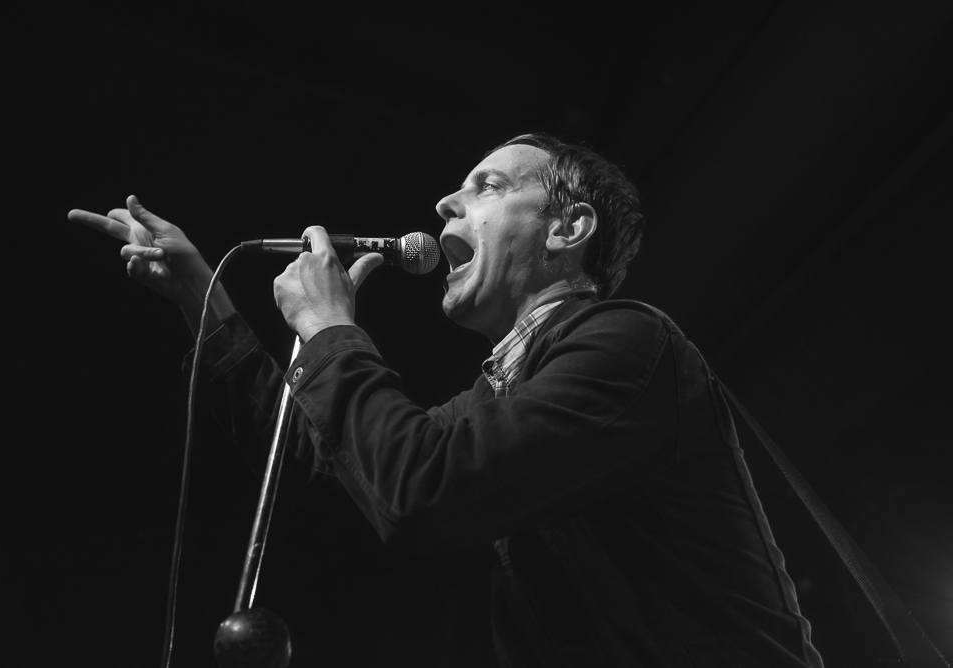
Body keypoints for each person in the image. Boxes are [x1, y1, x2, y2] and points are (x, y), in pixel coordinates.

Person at [71, 134, 823, 667]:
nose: (443, 204)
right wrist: (202, 297)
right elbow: (332, 457)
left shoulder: (627, 344)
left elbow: (423, 494)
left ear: (569, 227)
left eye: (488, 187)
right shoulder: (499, 390)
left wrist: (331, 327)